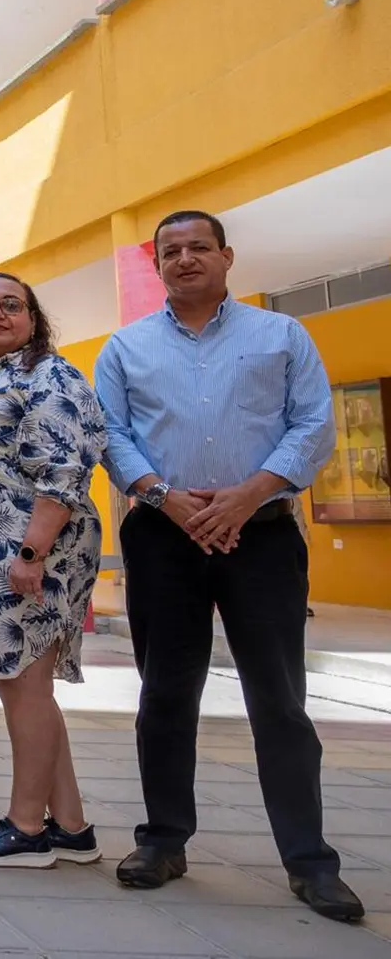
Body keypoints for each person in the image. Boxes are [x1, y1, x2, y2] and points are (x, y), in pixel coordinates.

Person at [95, 210, 363, 922]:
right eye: (171, 251)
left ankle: (310, 862)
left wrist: (248, 495)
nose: (185, 260)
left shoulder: (281, 335)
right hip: (163, 536)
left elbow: (313, 425)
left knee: (278, 702)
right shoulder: (126, 347)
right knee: (165, 696)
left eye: (198, 248)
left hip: (263, 536)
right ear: (157, 265)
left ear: (226, 256)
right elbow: (111, 435)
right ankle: (163, 841)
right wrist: (164, 497)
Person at [0, 273, 106, 868]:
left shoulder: (48, 375)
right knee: (27, 688)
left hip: (33, 549)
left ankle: (26, 827)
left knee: (24, 688)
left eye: (14, 304)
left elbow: (63, 470)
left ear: (33, 319)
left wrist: (33, 553)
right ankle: (71, 826)